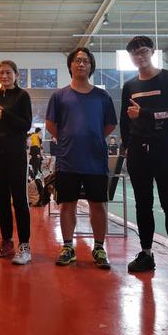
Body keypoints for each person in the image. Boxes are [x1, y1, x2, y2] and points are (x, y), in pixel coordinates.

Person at [120, 36, 168, 280]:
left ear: (152, 51)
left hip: (164, 151)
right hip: (138, 153)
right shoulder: (129, 86)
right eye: (134, 53)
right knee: (142, 204)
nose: (139, 56)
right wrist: (127, 146)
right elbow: (125, 119)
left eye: (143, 51)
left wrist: (145, 114)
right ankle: (146, 253)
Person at [45, 47, 117, 268]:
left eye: (85, 61)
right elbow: (50, 124)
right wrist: (69, 139)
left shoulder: (102, 96)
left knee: (98, 205)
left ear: (91, 66)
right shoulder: (59, 96)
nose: (81, 64)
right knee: (68, 204)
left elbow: (110, 125)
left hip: (95, 160)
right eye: (77, 60)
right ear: (70, 65)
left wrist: (92, 138)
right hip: (68, 159)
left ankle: (99, 248)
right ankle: (68, 247)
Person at [0, 60, 33, 264]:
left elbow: (26, 124)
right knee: (2, 201)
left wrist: (6, 115)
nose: (4, 76)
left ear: (16, 75)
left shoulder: (22, 96)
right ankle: (7, 241)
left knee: (20, 200)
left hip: (16, 155)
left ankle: (24, 245)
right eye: (1, 73)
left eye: (8, 73)